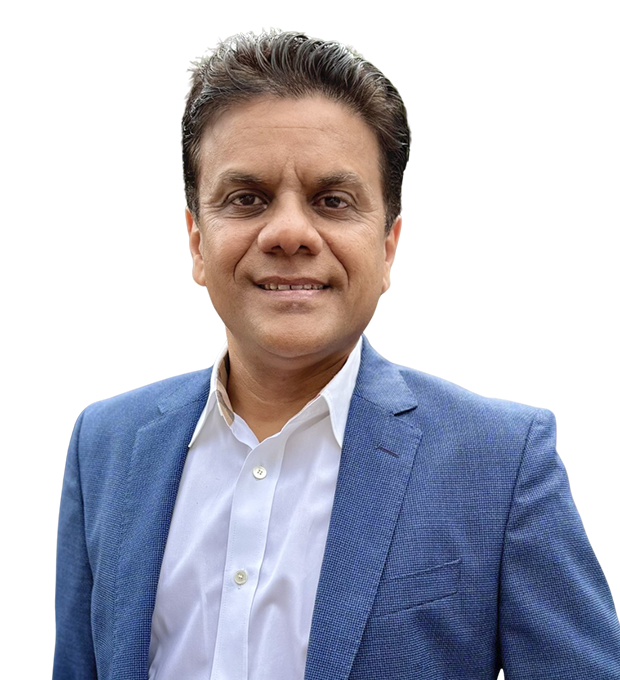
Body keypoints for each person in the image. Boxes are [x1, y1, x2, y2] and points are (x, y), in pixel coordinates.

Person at [53, 30, 620, 680]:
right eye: (247, 199)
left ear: (388, 248)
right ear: (196, 243)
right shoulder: (106, 447)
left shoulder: (502, 464)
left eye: (332, 201)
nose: (289, 232)